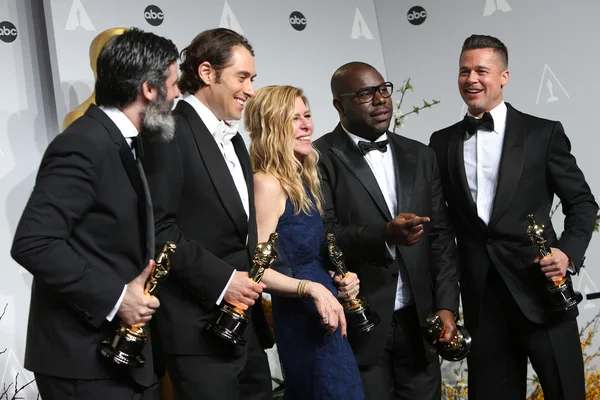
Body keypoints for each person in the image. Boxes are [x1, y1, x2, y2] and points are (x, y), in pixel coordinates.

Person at [142, 28, 350, 399]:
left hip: (247, 325)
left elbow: (247, 237)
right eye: (242, 77)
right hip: (197, 327)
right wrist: (225, 281)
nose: (251, 90)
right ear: (207, 73)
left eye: (252, 79)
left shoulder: (235, 139)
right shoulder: (167, 130)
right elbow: (158, 231)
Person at [11, 27, 180, 400]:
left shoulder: (120, 142)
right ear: (149, 90)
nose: (178, 94)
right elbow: (34, 243)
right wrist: (118, 298)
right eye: (173, 84)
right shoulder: (84, 143)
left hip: (118, 359)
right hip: (84, 365)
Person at [429, 34, 598, 400]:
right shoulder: (440, 143)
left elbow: (583, 203)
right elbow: (441, 230)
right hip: (483, 303)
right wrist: (445, 301)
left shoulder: (542, 133)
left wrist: (566, 254)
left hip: (542, 295)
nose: (471, 79)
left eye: (481, 70)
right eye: (464, 71)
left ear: (504, 76)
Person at [314, 62, 460, 400]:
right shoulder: (319, 158)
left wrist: (447, 306)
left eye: (384, 89)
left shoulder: (421, 155)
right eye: (365, 94)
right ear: (339, 105)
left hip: (421, 323)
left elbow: (440, 237)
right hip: (360, 324)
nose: (380, 100)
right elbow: (325, 236)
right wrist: (384, 235)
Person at [246, 85, 364, 399]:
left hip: (326, 318)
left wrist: (344, 280)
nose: (307, 125)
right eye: (294, 119)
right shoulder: (267, 183)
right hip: (302, 324)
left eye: (307, 116)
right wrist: (310, 288)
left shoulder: (303, 178)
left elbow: (316, 254)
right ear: (272, 127)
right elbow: (256, 270)